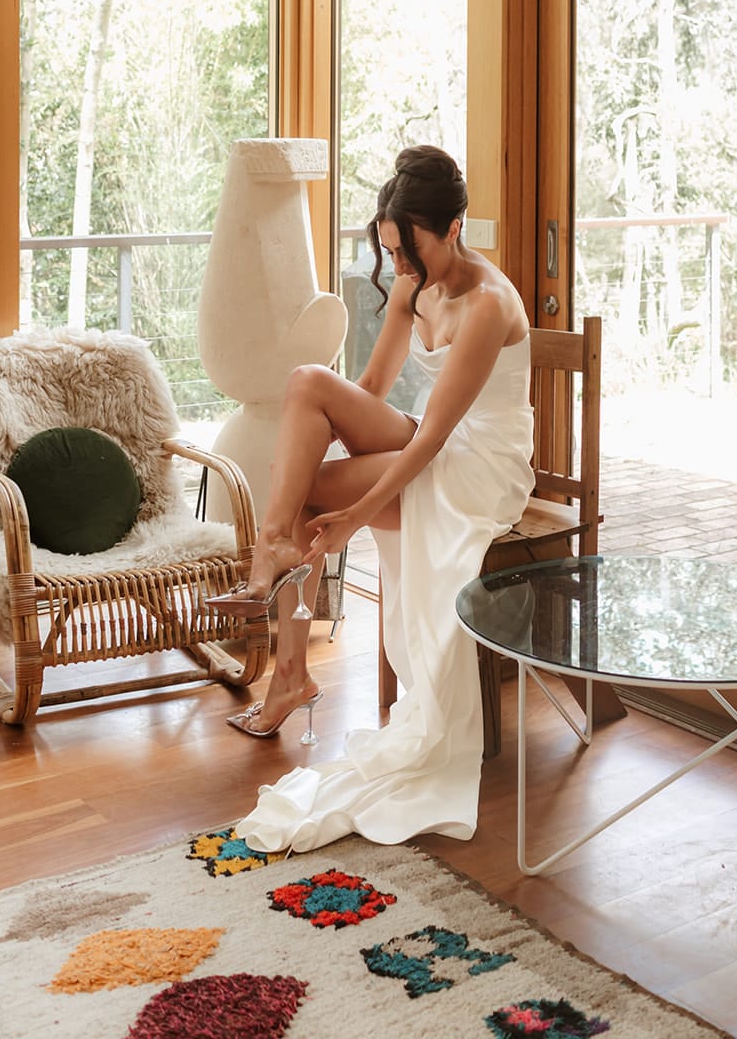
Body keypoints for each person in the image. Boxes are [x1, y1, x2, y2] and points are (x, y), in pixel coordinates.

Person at [207, 144, 535, 850]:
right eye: (390, 251)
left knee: (309, 490)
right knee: (307, 388)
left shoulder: (488, 303)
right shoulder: (414, 286)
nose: (401, 267)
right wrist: (306, 451)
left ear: (454, 228)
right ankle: (282, 617)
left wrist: (354, 515)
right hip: (431, 440)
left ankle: (277, 612)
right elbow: (370, 391)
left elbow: (433, 439)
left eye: (411, 250)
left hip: (480, 467)